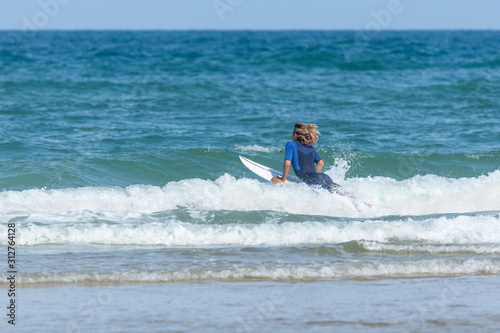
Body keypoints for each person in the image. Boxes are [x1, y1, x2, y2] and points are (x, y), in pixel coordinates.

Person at [271, 122, 339, 192]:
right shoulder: (310, 148)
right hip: (325, 177)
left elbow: (287, 163)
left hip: (315, 180)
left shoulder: (290, 144)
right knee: (343, 194)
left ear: (295, 134)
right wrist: (314, 176)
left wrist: (283, 179)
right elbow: (321, 163)